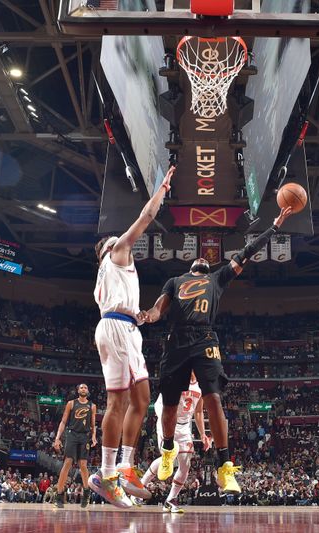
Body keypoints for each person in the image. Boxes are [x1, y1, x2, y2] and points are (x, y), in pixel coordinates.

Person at [140, 206, 293, 494]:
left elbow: (247, 252)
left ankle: (224, 467)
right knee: (170, 404)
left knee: (214, 400)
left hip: (204, 339)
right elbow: (159, 308)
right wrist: (147, 315)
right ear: (189, 268)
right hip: (176, 340)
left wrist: (274, 227)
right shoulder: (175, 281)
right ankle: (168, 449)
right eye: (196, 258)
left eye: (204, 259)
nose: (200, 257)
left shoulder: (217, 279)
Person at [89, 165, 176, 508]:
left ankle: (125, 467)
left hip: (126, 328)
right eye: (116, 242)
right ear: (108, 251)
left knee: (141, 399)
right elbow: (145, 217)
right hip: (116, 330)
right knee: (119, 402)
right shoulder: (116, 253)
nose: (124, 243)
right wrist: (162, 190)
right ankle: (107, 474)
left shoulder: (116, 273)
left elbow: (122, 304)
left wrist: (138, 314)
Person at [138, 372, 212, 513]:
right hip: (167, 419)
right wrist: (164, 419)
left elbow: (198, 412)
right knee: (168, 457)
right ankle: (140, 488)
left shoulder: (201, 385)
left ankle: (170, 500)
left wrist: (203, 434)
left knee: (185, 464)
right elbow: (162, 402)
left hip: (184, 426)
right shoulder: (176, 376)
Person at [53, 383, 97, 508]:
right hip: (72, 434)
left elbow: (93, 425)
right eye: (81, 387)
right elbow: (63, 422)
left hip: (84, 436)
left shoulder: (92, 406)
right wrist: (57, 438)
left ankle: (86, 491)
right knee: (67, 463)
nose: (84, 389)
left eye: (85, 387)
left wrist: (93, 436)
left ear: (87, 391)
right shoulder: (71, 403)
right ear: (78, 391)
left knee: (83, 465)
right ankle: (59, 495)